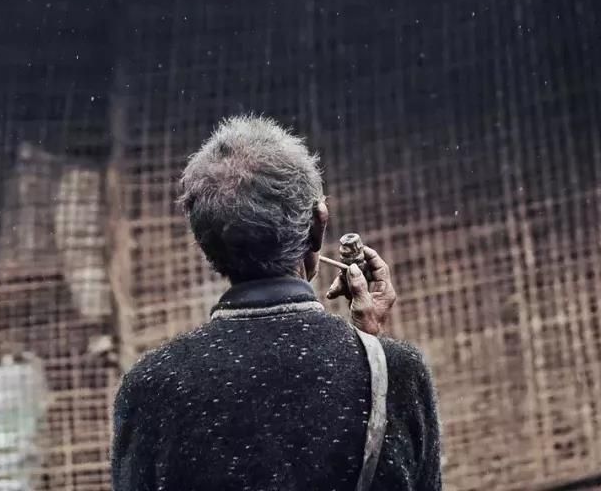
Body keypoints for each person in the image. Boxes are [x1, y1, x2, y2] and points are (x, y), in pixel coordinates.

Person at [111, 114, 443, 490]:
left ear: (205, 243)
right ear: (318, 224)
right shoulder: (398, 374)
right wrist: (372, 353)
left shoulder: (151, 388)